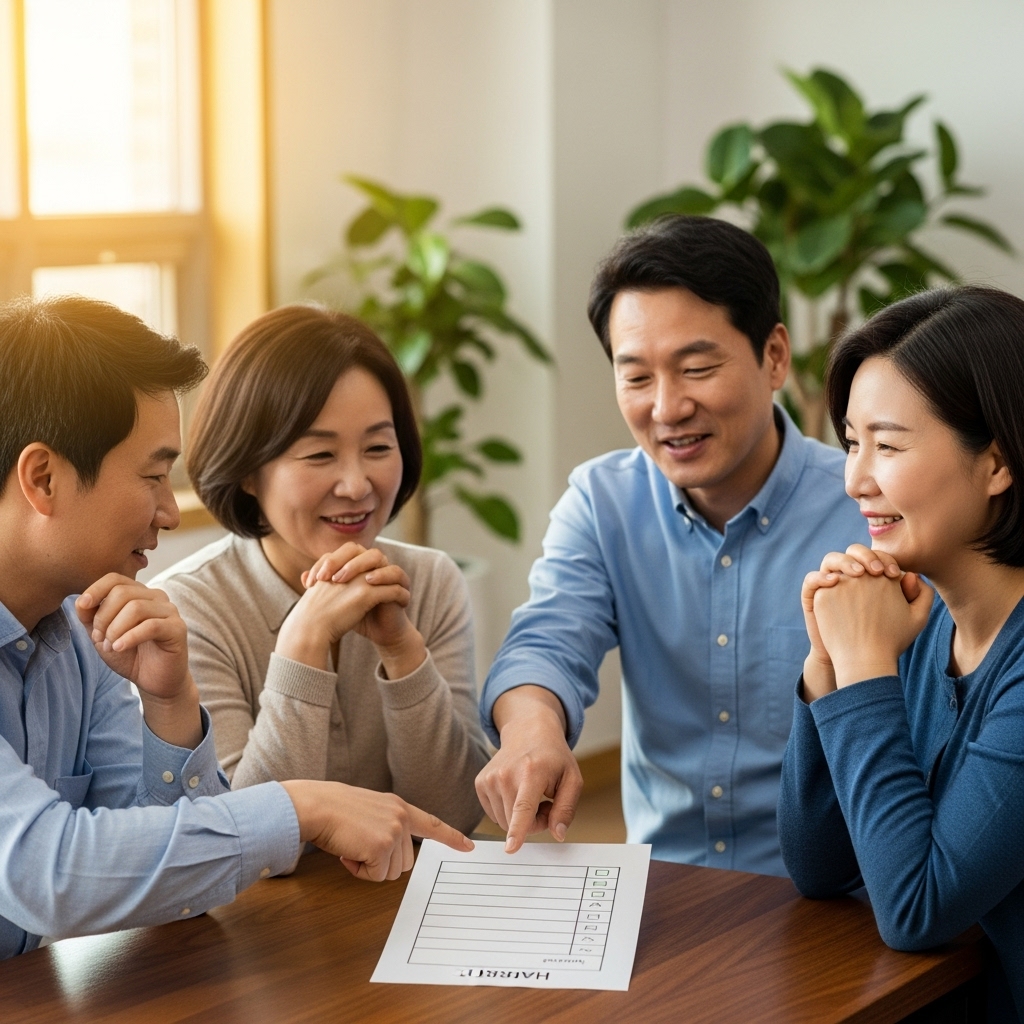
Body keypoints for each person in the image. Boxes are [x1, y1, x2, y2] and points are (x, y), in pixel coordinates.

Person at [0, 296, 472, 960]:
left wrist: (170, 705)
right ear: (43, 478)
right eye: (153, 476)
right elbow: (52, 875)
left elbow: (173, 883)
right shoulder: (158, 605)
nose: (170, 512)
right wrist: (300, 808)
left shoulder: (86, 633)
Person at [475, 215, 867, 873]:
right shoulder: (602, 502)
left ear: (774, 356)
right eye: (636, 377)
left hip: (836, 897)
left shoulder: (866, 510)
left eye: (697, 368)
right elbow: (546, 642)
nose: (667, 408)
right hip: (665, 886)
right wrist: (532, 732)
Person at [778, 286, 1024, 1021]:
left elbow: (917, 909)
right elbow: (819, 867)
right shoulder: (919, 621)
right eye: (852, 443)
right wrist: (827, 669)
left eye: (886, 446)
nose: (855, 480)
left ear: (997, 462)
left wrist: (865, 671)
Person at [152, 305, 488, 835]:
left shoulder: (430, 581)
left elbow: (453, 817)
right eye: (319, 455)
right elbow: (246, 842)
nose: (356, 485)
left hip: (408, 884)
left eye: (378, 447)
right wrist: (303, 644)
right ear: (247, 470)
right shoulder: (187, 609)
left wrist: (403, 653)